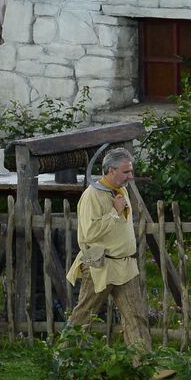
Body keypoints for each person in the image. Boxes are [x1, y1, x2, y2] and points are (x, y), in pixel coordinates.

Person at [66, 147, 151, 350]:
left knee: (136, 316)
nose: (130, 176)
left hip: (125, 264)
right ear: (111, 170)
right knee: (83, 316)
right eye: (126, 172)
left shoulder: (120, 191)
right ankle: (65, 360)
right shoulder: (92, 196)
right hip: (98, 262)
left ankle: (144, 363)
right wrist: (114, 212)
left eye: (131, 171)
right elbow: (89, 233)